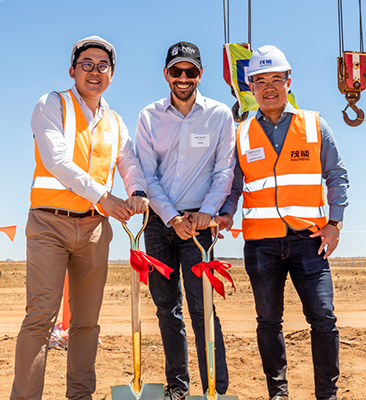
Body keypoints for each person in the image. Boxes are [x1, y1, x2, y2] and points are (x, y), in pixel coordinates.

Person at [10, 36, 149, 400]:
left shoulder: (116, 122)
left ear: (112, 75)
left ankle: (81, 396)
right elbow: (56, 160)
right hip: (49, 225)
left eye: (102, 65)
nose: (94, 71)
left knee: (86, 323)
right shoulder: (52, 104)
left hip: (93, 230)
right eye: (86, 64)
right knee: (40, 318)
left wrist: (136, 193)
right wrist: (106, 197)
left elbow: (129, 161)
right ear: (72, 70)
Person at [218, 45, 349, 400]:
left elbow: (337, 176)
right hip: (261, 244)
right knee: (268, 321)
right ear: (251, 88)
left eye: (276, 79)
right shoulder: (240, 133)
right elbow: (234, 185)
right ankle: (278, 393)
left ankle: (328, 394)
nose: (269, 87)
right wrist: (227, 213)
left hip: (309, 240)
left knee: (323, 319)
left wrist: (334, 222)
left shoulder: (315, 124)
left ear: (289, 82)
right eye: (260, 81)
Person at [134, 41, 236, 400]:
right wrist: (171, 217)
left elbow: (225, 169)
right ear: (166, 74)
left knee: (202, 307)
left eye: (190, 71)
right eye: (176, 71)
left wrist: (206, 212)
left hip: (200, 226)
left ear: (200, 75)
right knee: (167, 309)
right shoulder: (148, 117)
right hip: (159, 226)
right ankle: (177, 387)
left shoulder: (220, 115)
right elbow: (147, 174)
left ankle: (215, 388)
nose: (183, 77)